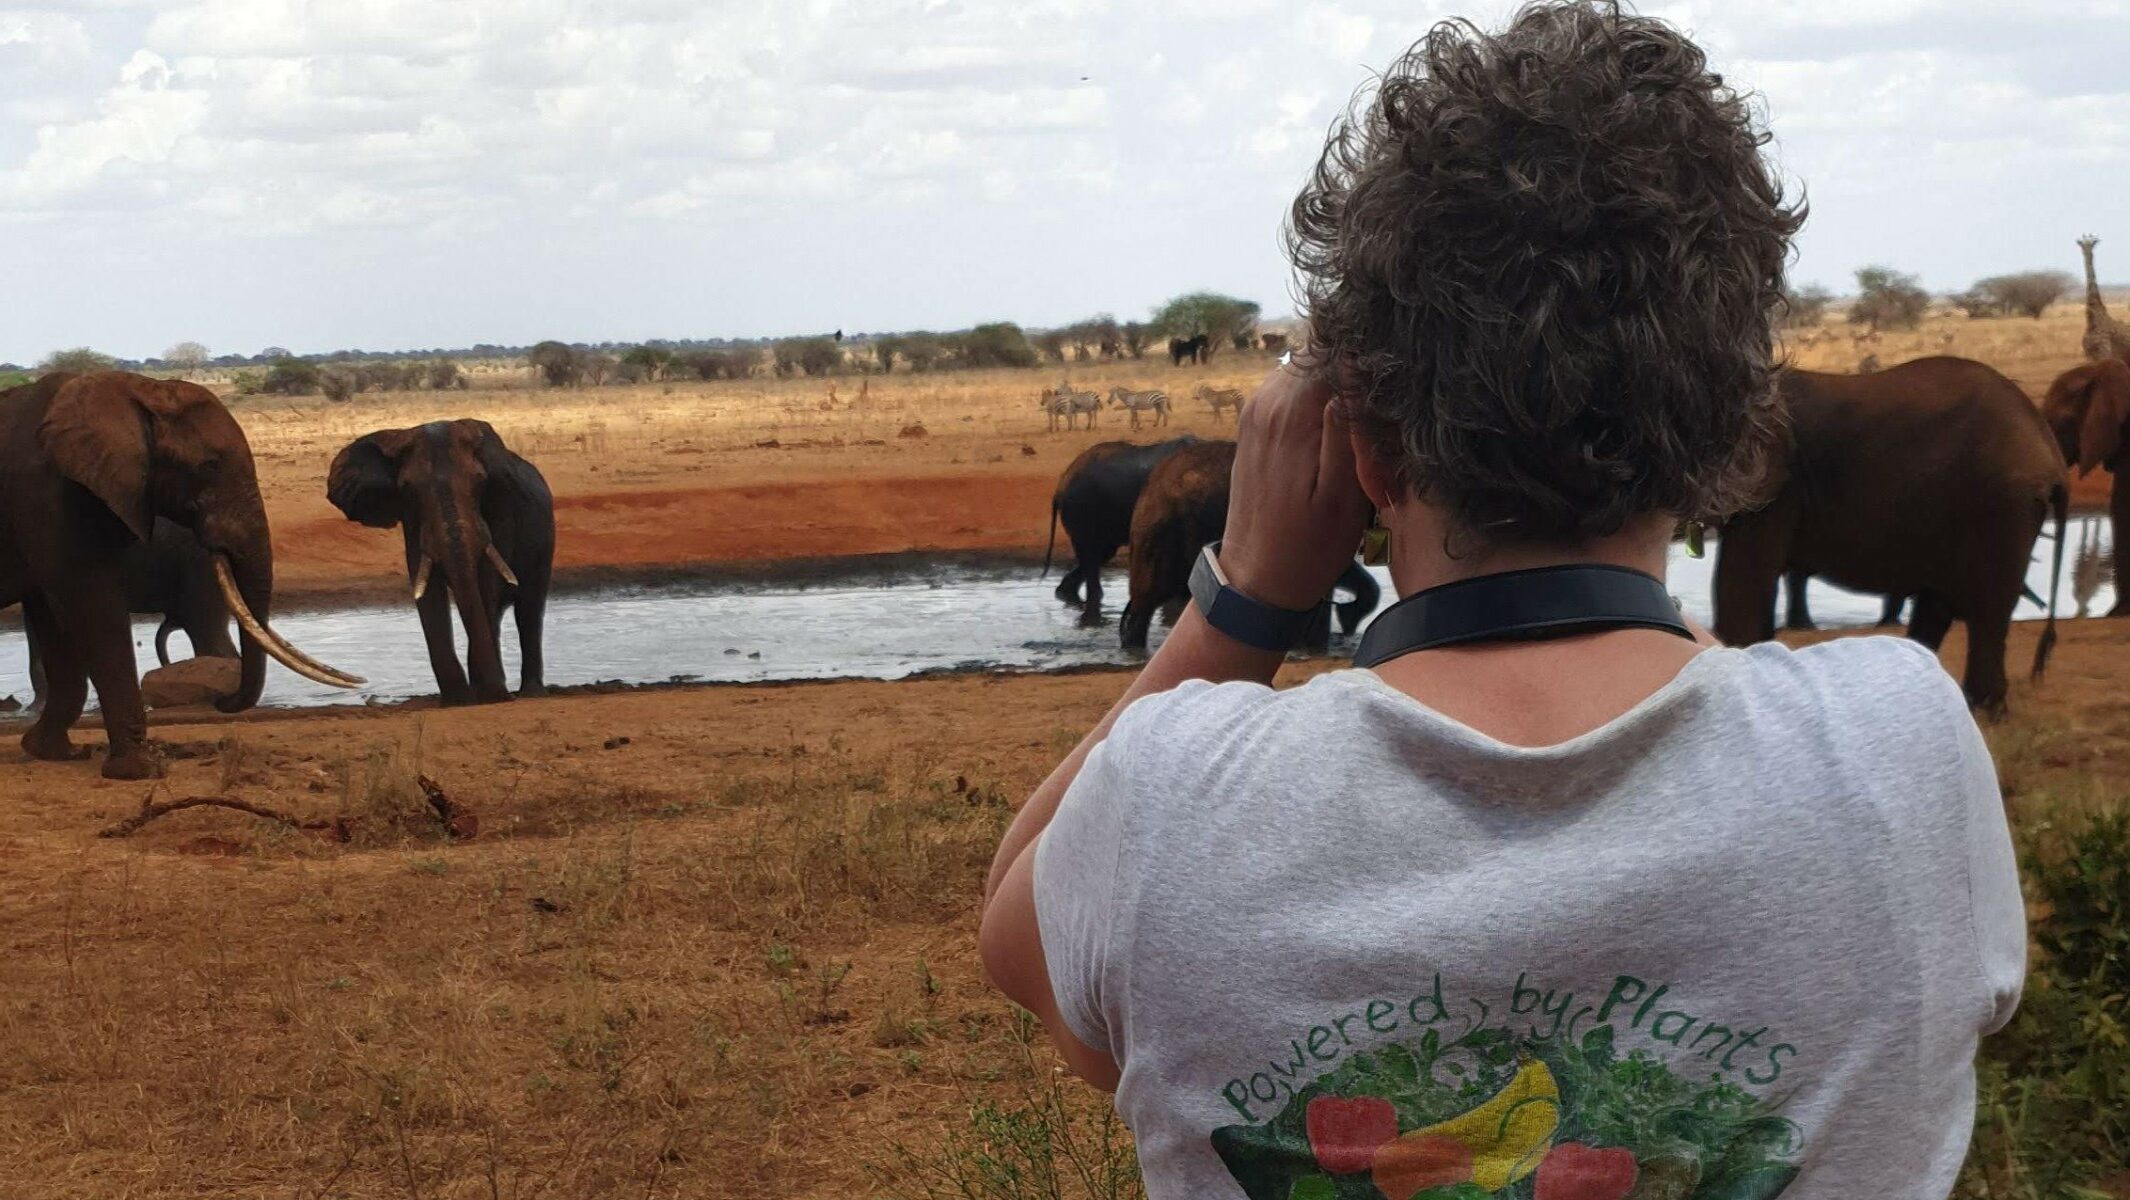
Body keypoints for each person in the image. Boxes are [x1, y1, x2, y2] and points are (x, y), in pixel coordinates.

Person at [978, 4, 2025, 1199]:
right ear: (1732, 430)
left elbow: (1015, 928)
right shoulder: (1896, 742)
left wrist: (1244, 604)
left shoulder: (1170, 803)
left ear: (1360, 445)